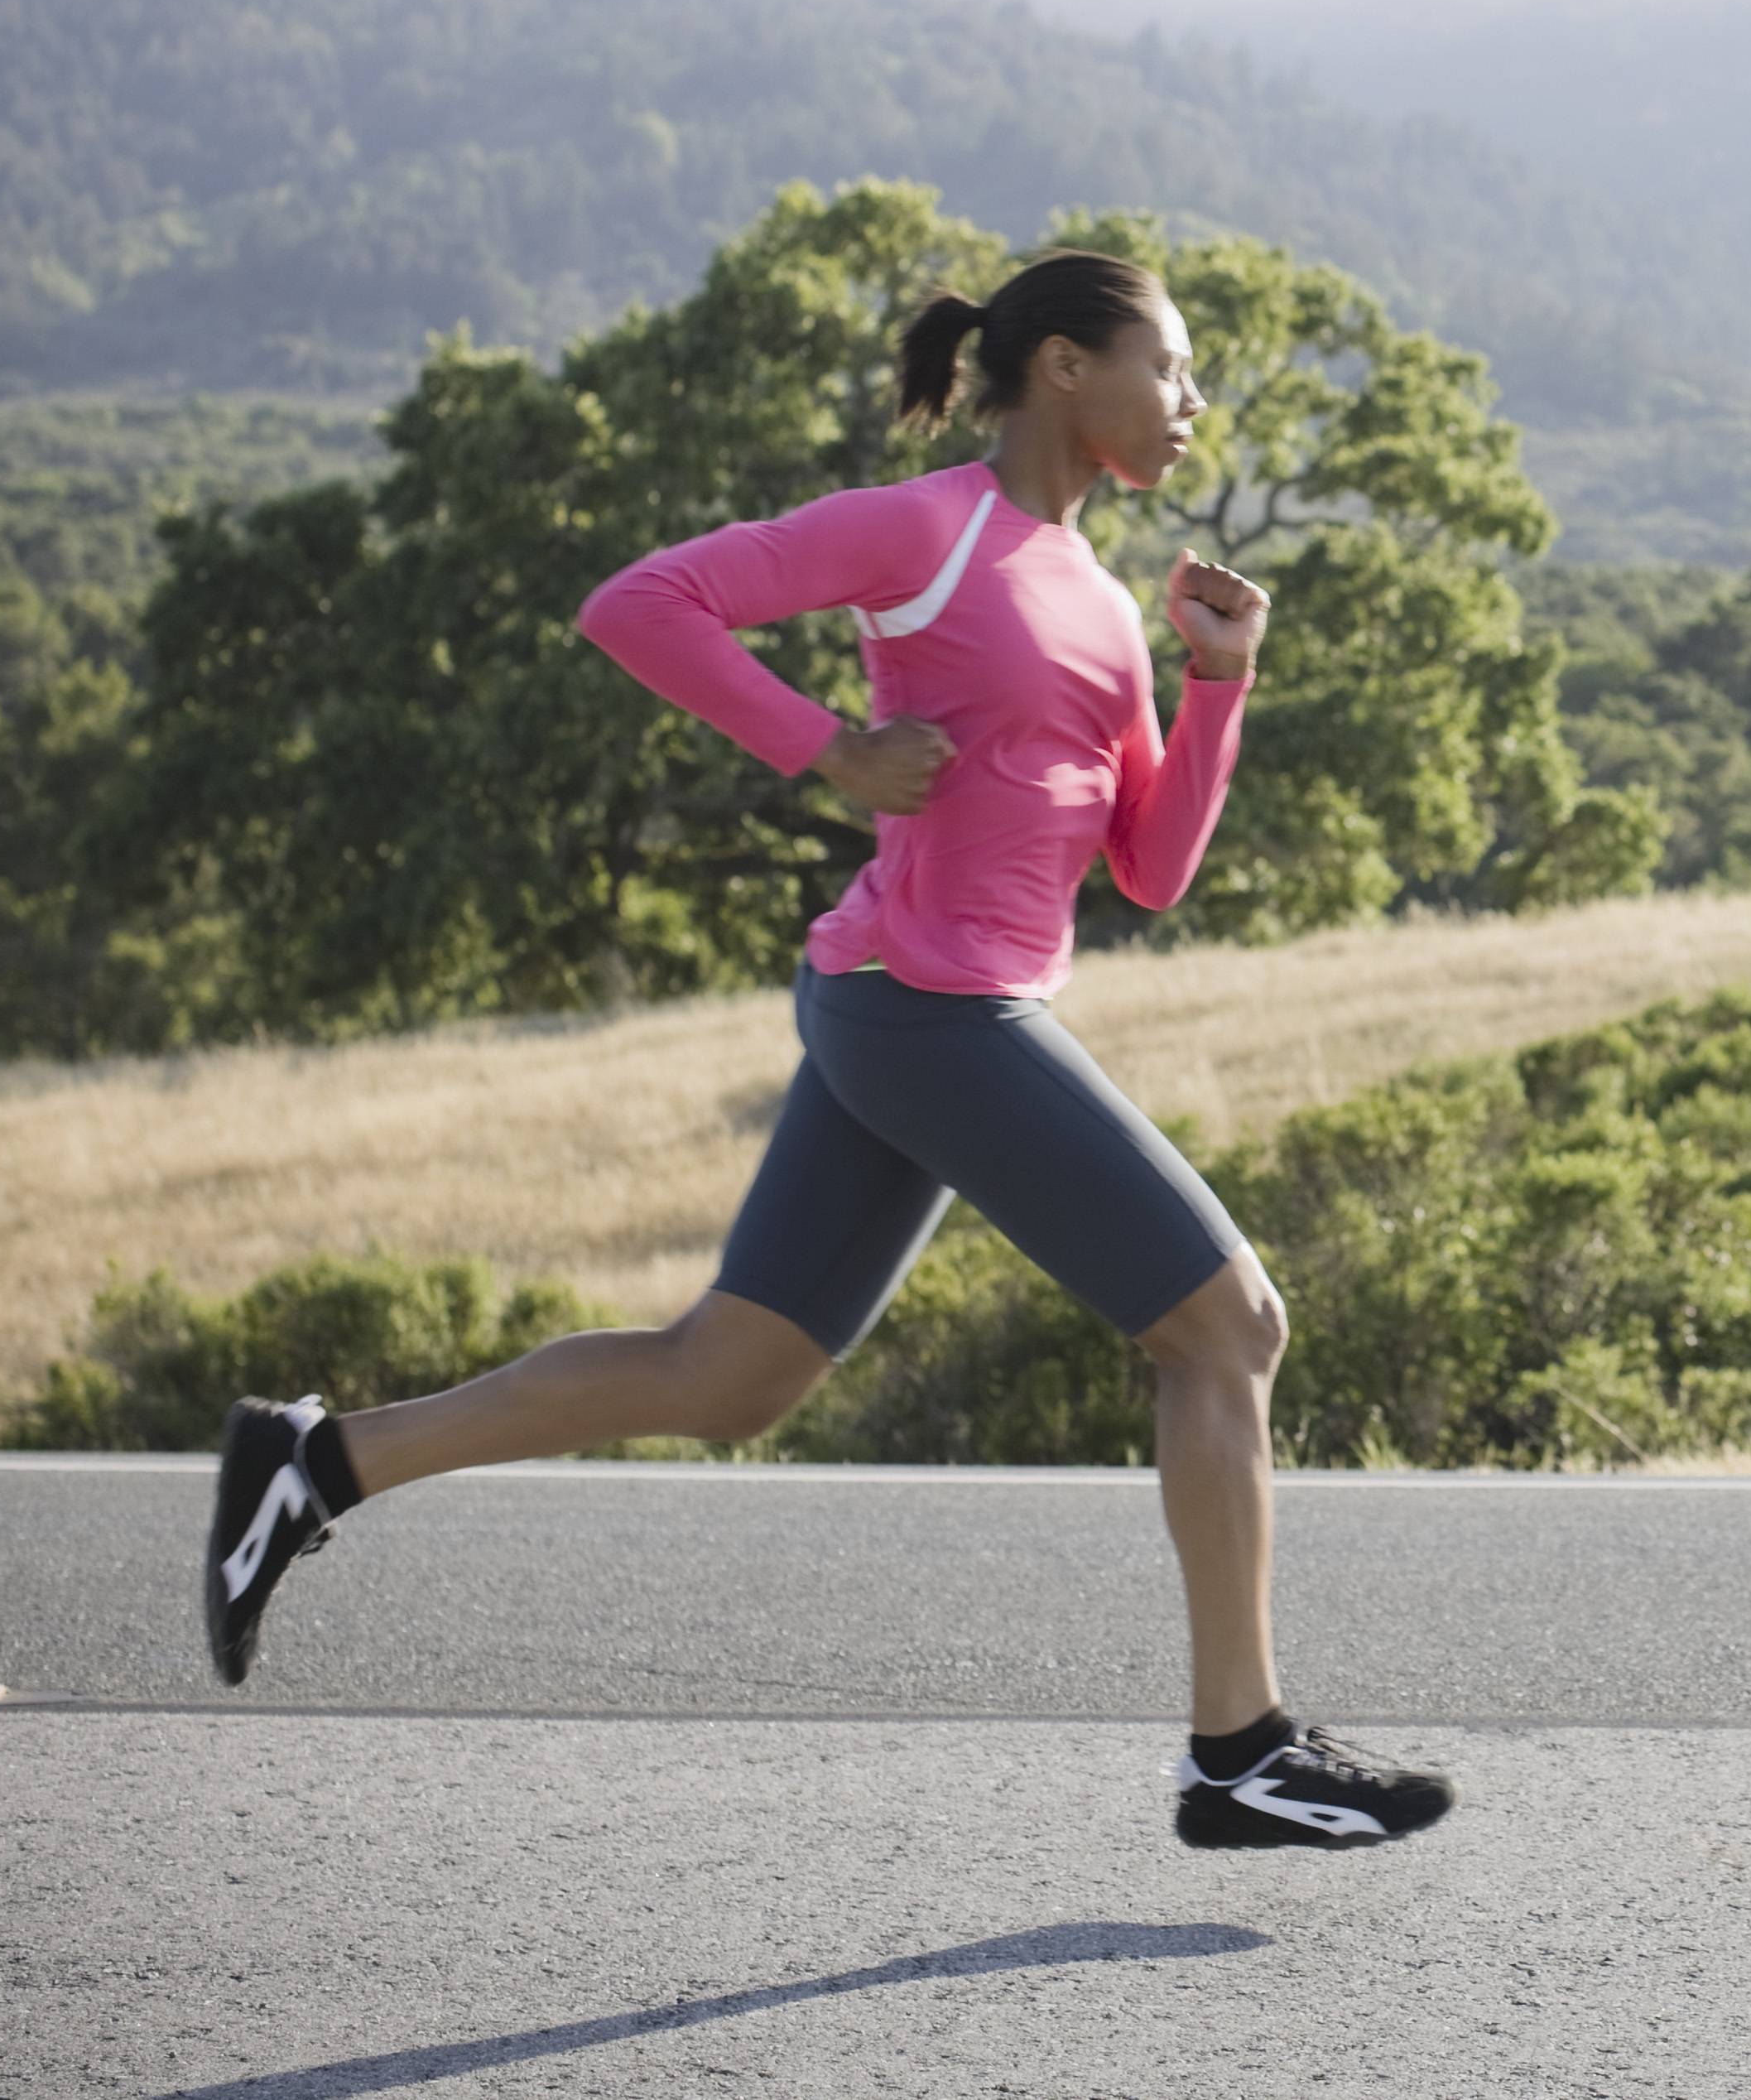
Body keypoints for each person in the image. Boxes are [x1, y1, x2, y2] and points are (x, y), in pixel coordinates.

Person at [196, 248, 1451, 1853]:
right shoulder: (924, 531)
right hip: (926, 1005)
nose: (1194, 404)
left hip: (934, 1006)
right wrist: (830, 749)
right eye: (1174, 367)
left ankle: (316, 1461)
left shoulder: (1100, 598)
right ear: (1064, 367)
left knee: (729, 1378)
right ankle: (1242, 1750)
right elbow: (640, 604)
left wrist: (1217, 684)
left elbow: (1147, 868)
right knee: (1228, 1330)